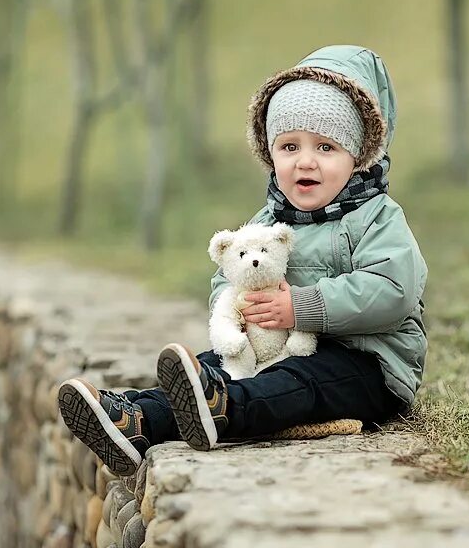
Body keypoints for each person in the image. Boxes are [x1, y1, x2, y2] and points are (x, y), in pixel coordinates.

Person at [57, 45, 428, 476]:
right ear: (270, 154)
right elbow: (228, 277)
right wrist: (238, 309)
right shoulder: (267, 222)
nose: (305, 161)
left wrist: (301, 307)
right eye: (289, 146)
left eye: (326, 147)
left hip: (365, 366)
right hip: (271, 349)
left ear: (359, 155)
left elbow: (394, 290)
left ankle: (223, 410)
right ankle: (136, 419)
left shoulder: (377, 217)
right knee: (214, 366)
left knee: (298, 383)